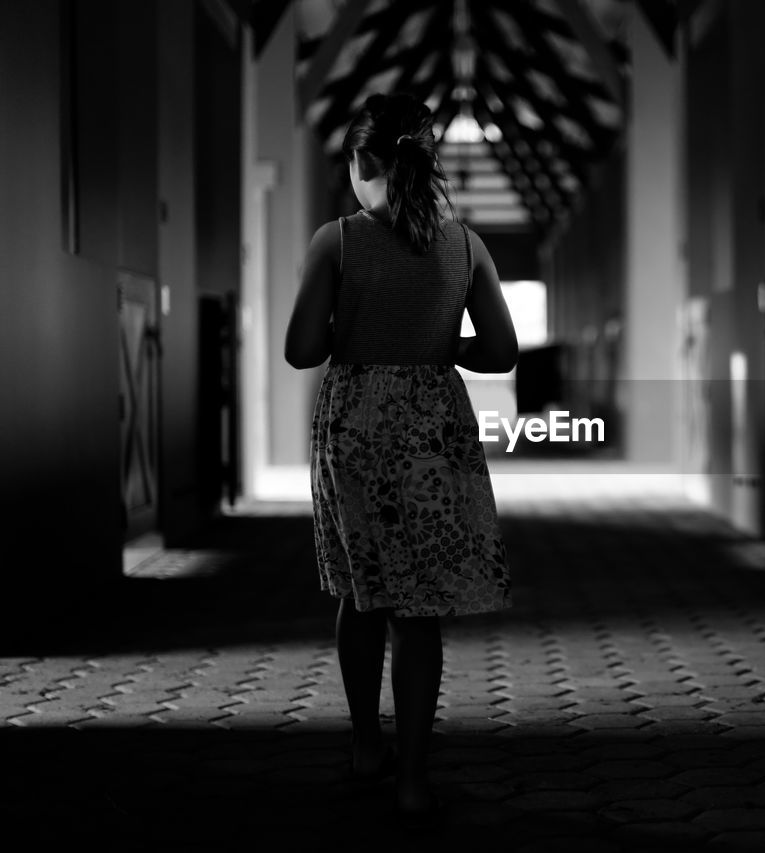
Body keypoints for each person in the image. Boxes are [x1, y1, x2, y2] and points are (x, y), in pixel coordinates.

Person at [284, 92, 518, 821]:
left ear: (362, 161)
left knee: (364, 595)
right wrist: (442, 347)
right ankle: (414, 777)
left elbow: (300, 350)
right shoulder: (465, 244)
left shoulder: (338, 240)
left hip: (355, 426)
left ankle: (364, 743)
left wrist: (349, 325)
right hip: (433, 429)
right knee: (419, 612)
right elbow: (504, 350)